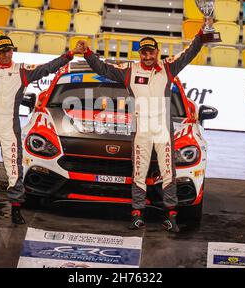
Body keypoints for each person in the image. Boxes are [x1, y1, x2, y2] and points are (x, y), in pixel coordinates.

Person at [76, 21, 208, 232]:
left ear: (157, 52)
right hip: (141, 132)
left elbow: (189, 53)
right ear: (139, 54)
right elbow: (103, 69)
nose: (147, 56)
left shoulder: (168, 67)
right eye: (143, 53)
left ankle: (171, 216)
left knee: (168, 173)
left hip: (163, 131)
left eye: (151, 52)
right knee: (139, 173)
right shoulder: (129, 70)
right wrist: (88, 53)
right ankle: (137, 215)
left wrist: (202, 34)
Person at [0, 33, 81, 224]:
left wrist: (70, 54)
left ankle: (16, 210)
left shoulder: (22, 71)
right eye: (2, 51)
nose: (6, 54)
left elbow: (47, 68)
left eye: (9, 50)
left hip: (10, 126)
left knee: (14, 169)